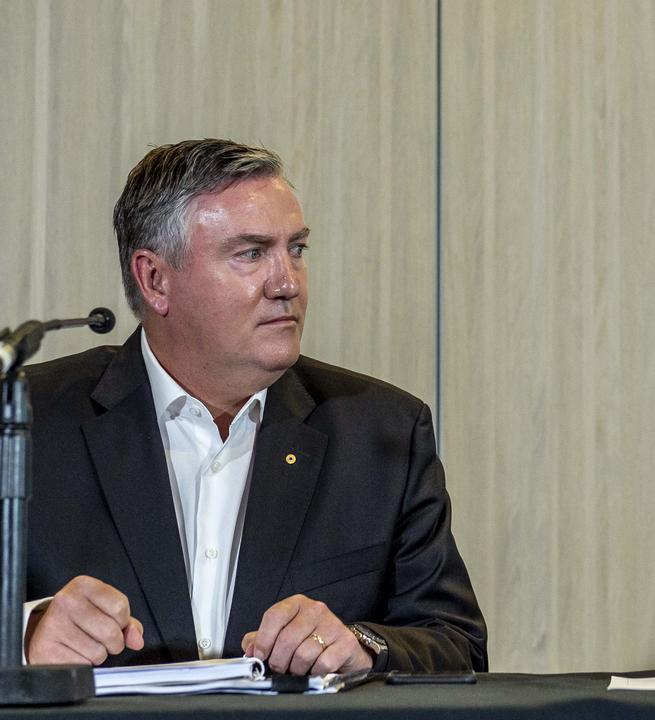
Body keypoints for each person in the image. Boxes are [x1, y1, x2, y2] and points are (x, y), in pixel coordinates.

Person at [22, 139, 487, 674]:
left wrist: (361, 647)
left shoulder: (382, 433)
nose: (287, 282)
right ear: (155, 279)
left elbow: (459, 647)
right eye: (251, 254)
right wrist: (25, 635)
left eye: (297, 250)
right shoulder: (26, 424)